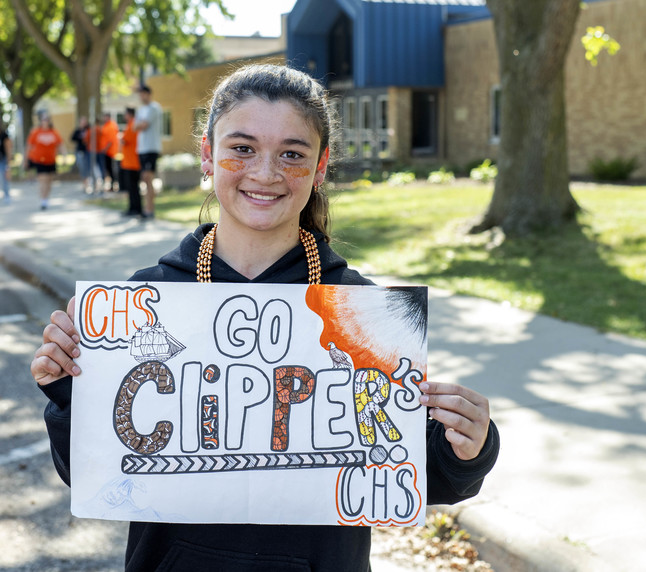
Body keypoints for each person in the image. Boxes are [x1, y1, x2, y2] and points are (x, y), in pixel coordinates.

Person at [31, 64, 499, 572]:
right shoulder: (146, 301)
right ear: (208, 155)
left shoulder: (361, 312)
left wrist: (468, 445)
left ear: (320, 168)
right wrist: (69, 391)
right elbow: (90, 470)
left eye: (292, 155)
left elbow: (408, 471)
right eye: (242, 148)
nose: (265, 173)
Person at [134, 84, 162, 219]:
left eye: (142, 93)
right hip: (142, 148)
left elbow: (143, 126)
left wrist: (139, 125)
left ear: (148, 94)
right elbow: (135, 127)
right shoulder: (141, 110)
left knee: (148, 177)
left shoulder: (154, 108)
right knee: (144, 179)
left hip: (151, 147)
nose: (140, 96)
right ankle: (147, 208)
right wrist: (139, 125)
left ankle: (150, 210)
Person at [25, 114, 64, 210]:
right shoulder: (36, 132)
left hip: (51, 160)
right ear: (41, 121)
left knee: (49, 181)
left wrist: (64, 156)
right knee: (43, 180)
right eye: (43, 120)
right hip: (39, 160)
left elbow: (60, 145)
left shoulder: (54, 132)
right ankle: (43, 200)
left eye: (47, 119)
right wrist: (26, 159)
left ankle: (46, 198)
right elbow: (29, 146)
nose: (45, 121)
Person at [119, 107, 142, 216]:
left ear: (130, 114)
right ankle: (133, 207)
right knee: (131, 187)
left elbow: (125, 140)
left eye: (125, 114)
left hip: (132, 162)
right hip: (129, 161)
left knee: (133, 187)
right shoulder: (131, 124)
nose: (124, 116)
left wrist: (120, 138)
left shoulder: (132, 125)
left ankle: (135, 208)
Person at [70, 116, 92, 193]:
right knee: (82, 168)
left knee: (88, 168)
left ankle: (88, 184)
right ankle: (85, 184)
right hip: (80, 151)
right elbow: (72, 138)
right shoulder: (78, 131)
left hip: (88, 151)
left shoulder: (89, 130)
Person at [100, 112, 120, 192]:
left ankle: (113, 185)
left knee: (111, 169)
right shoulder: (106, 125)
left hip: (110, 152)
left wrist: (105, 149)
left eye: (104, 117)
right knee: (108, 169)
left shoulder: (111, 126)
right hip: (107, 151)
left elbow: (110, 140)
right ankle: (111, 185)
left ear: (107, 117)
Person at [0, 120, 11, 204]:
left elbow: (8, 148)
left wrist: (8, 162)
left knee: (4, 179)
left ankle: (7, 195)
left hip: (2, 159)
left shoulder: (4, 135)